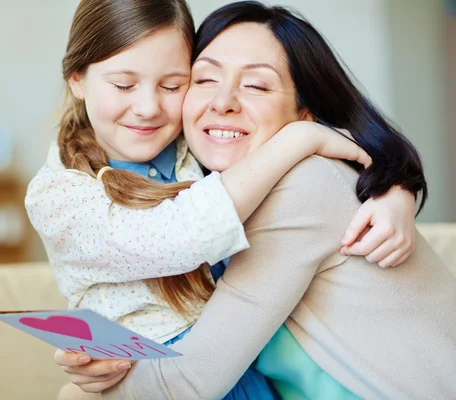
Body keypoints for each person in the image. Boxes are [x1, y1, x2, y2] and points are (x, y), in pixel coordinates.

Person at [53, 2, 456, 399]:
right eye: (204, 80)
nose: (222, 101)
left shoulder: (307, 184)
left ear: (306, 113)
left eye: (257, 85)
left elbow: (192, 381)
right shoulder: (206, 186)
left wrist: (79, 394)